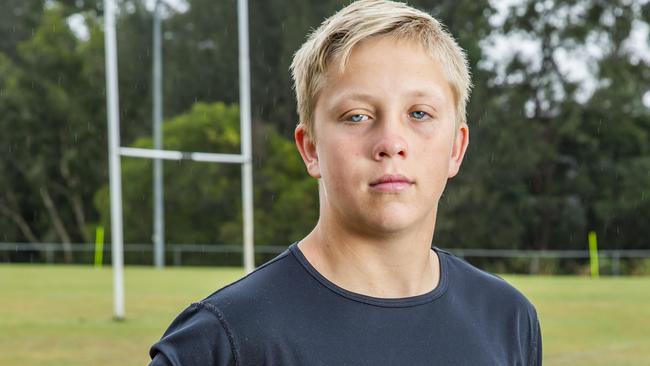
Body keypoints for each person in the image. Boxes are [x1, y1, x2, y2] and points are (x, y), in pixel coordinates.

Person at [149, 0, 542, 364]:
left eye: (419, 114)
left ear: (456, 148)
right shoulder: (225, 338)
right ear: (311, 148)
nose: (391, 143)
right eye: (357, 116)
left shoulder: (507, 319)